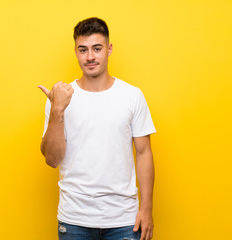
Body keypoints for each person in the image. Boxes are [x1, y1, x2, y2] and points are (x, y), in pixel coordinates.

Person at [38, 17, 156, 240]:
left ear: (109, 49)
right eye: (83, 50)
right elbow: (52, 160)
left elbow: (144, 153)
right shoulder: (59, 98)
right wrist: (57, 111)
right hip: (74, 218)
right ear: (75, 51)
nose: (90, 57)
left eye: (97, 48)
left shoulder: (132, 96)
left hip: (124, 219)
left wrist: (147, 209)